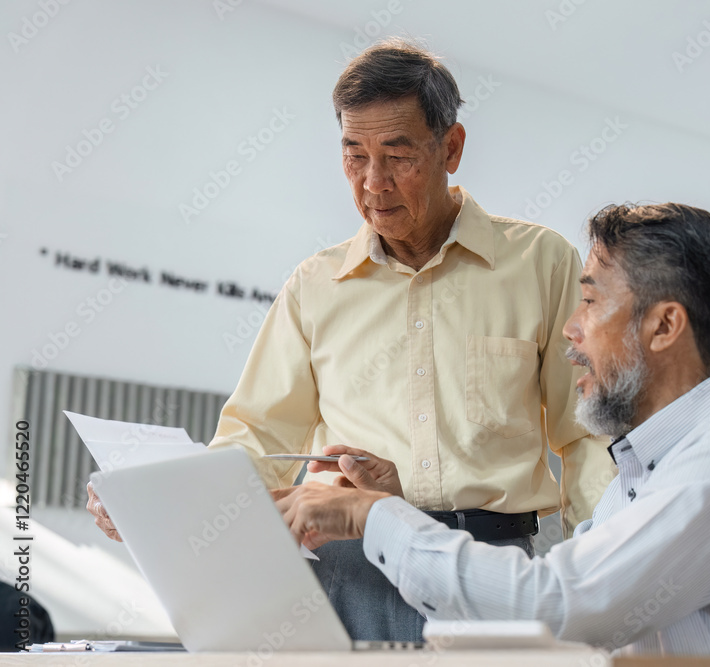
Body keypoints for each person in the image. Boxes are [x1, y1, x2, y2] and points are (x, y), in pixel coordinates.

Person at [86, 39, 615, 642]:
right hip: (345, 572)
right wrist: (156, 507)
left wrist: (604, 561)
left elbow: (586, 431)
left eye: (397, 155)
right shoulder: (316, 285)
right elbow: (255, 436)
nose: (373, 182)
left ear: (452, 148)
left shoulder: (540, 264)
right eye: (353, 154)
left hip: (487, 570)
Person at [271, 202, 710, 658]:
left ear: (666, 325)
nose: (570, 329)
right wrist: (398, 509)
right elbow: (544, 625)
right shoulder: (637, 475)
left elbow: (559, 606)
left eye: (591, 301)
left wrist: (371, 516)